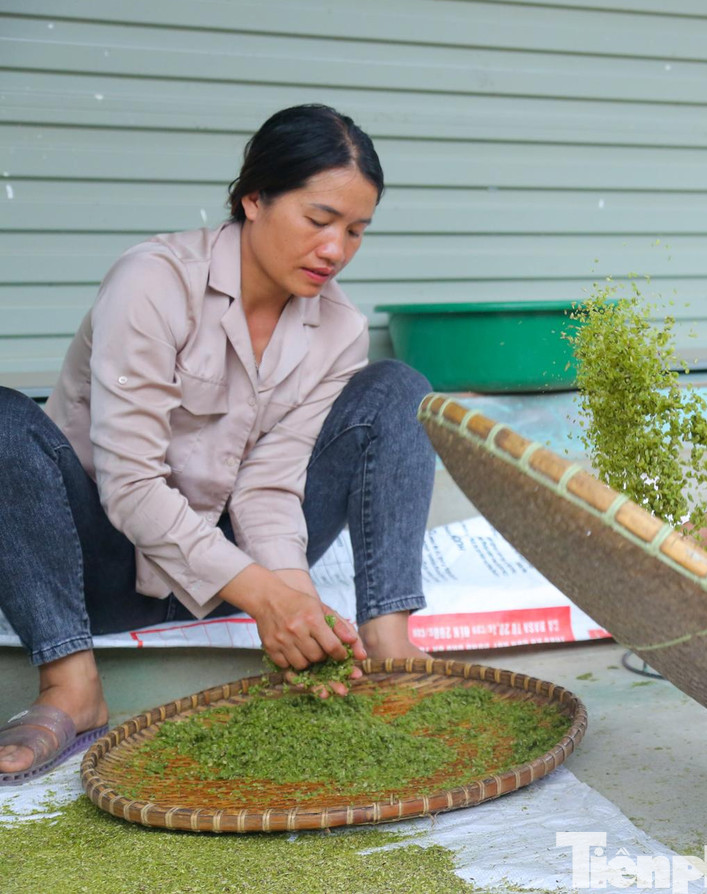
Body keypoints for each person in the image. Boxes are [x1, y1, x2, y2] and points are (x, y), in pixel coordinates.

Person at [0, 104, 436, 783]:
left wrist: (293, 604)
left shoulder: (338, 328)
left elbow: (270, 482)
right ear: (253, 199)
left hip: (234, 559)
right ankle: (70, 684)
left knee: (397, 387)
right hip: (102, 566)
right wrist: (267, 597)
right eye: (319, 221)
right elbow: (131, 485)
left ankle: (387, 645)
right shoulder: (152, 282)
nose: (335, 250)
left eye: (356, 231)